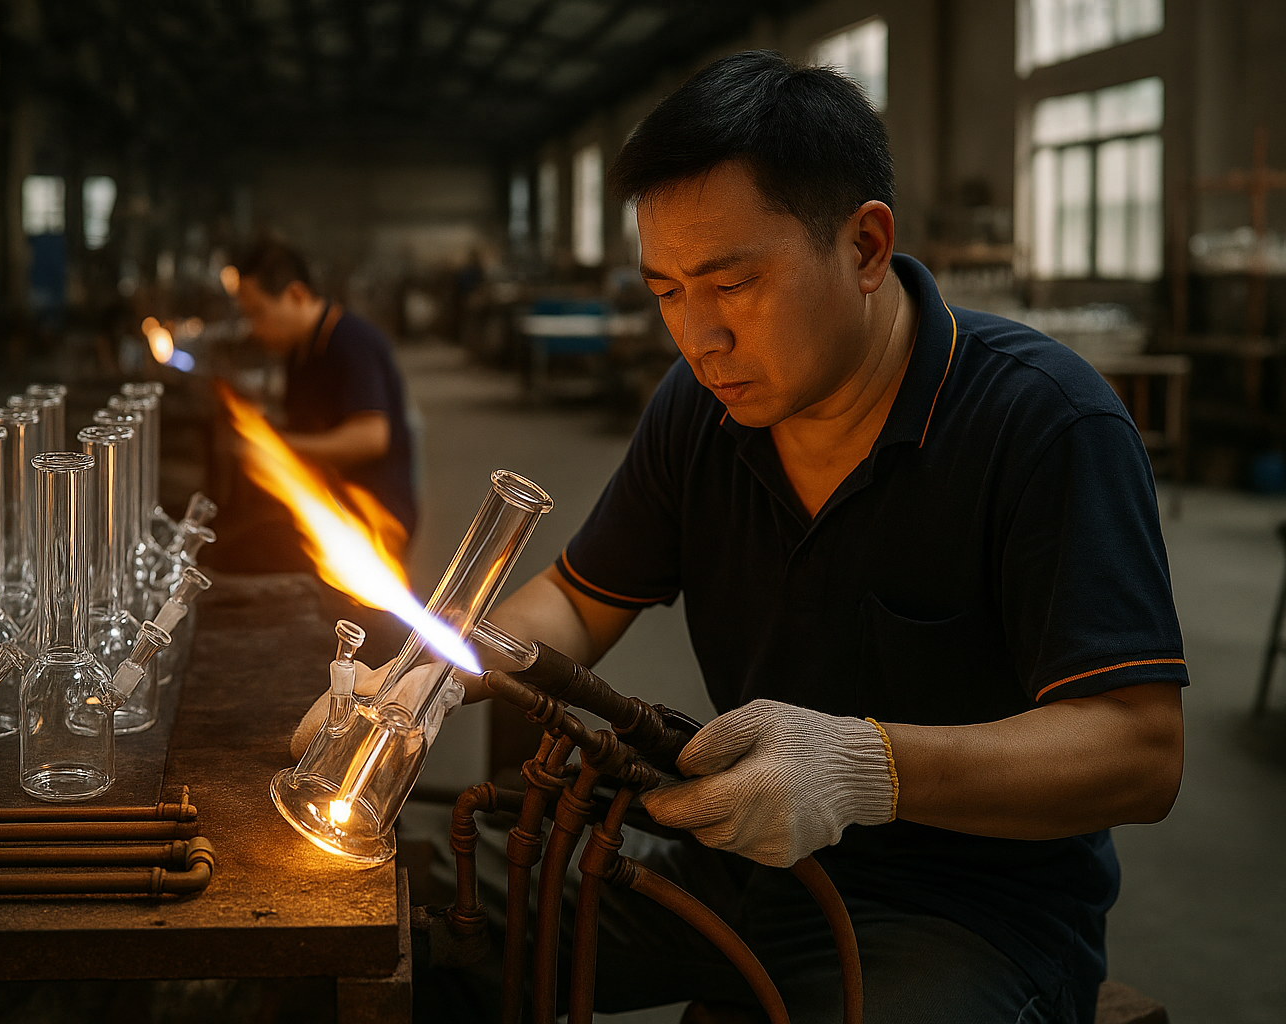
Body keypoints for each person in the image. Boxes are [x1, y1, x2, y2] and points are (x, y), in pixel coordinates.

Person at [296, 51, 1186, 1023]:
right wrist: (426, 678)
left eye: (733, 282)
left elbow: (1138, 750)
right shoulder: (701, 412)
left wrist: (866, 766)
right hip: (738, 864)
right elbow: (579, 603)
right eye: (669, 289)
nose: (698, 335)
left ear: (866, 247)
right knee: (385, 936)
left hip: (968, 908)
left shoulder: (1044, 425)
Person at [229, 237, 418, 542]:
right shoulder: (299, 350)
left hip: (372, 515)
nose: (253, 328)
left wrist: (277, 446)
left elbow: (371, 438)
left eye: (257, 313)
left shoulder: (352, 343)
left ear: (296, 295)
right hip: (327, 499)